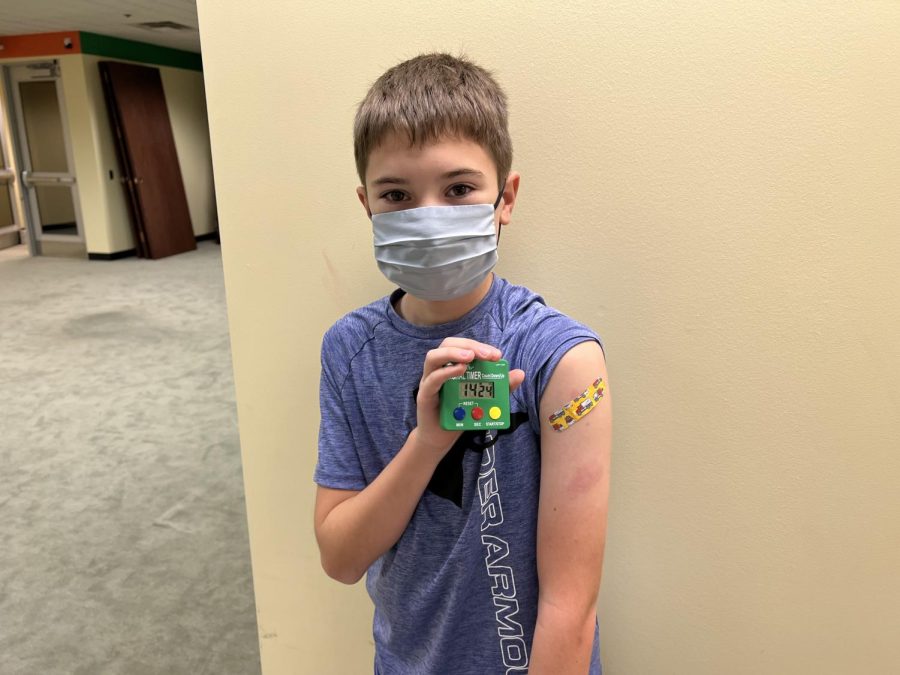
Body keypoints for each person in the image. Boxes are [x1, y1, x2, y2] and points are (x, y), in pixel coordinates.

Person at [313, 53, 611, 674]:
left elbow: (571, 603)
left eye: (458, 189)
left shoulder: (563, 360)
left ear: (505, 198)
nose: (430, 217)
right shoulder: (348, 350)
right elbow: (340, 558)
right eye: (398, 194)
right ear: (367, 204)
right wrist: (428, 441)